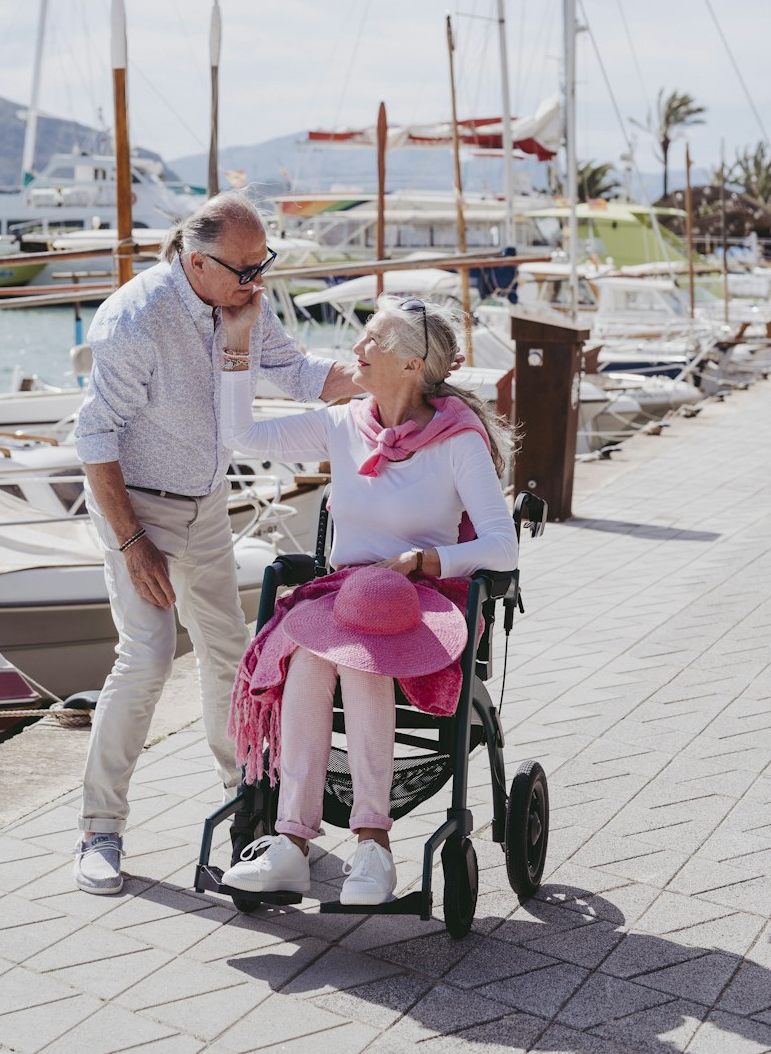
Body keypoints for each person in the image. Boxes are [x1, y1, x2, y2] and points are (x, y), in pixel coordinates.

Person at [72, 192, 356, 895]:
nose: (257, 282)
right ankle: (98, 829)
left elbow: (294, 370)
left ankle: (257, 818)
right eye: (244, 269)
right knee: (147, 657)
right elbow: (94, 438)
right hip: (135, 509)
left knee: (232, 657)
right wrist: (133, 541)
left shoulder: (244, 296)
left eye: (265, 265)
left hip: (204, 505)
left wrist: (396, 377)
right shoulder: (133, 319)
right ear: (195, 261)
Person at [218, 292, 517, 907]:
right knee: (309, 654)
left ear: (412, 364)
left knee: (363, 652)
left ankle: (372, 846)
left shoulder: (458, 441)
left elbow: (501, 547)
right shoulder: (341, 423)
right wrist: (237, 343)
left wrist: (426, 561)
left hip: (423, 601)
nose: (356, 348)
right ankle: (291, 845)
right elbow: (240, 434)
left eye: (373, 338)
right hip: (344, 593)